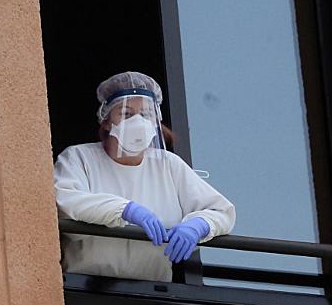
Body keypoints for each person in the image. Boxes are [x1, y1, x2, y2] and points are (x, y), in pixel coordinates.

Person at [53, 71, 235, 282]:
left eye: (146, 114)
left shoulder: (168, 165)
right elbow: (64, 201)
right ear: (106, 121)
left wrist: (199, 224)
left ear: (156, 122)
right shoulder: (79, 157)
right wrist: (125, 210)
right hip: (85, 288)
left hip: (151, 294)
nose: (138, 122)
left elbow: (221, 212)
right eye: (126, 114)